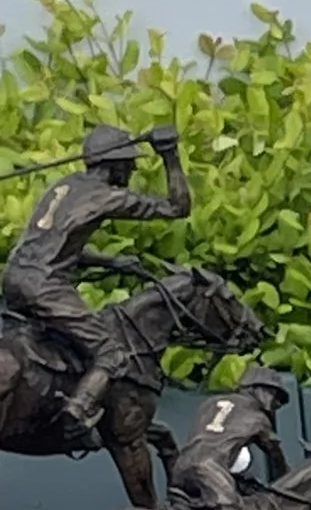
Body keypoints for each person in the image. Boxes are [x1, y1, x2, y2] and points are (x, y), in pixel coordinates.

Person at [1, 123, 193, 444]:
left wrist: (111, 261)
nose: (132, 168)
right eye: (129, 162)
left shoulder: (64, 187)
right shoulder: (105, 196)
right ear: (114, 164)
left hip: (16, 280)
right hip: (46, 287)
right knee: (111, 353)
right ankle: (75, 415)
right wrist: (170, 156)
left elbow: (56, 244)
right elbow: (178, 207)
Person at [163, 366, 294, 510]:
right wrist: (286, 482)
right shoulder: (258, 418)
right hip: (210, 469)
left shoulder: (210, 403)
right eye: (274, 395)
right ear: (256, 388)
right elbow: (275, 453)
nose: (274, 403)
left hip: (181, 465)